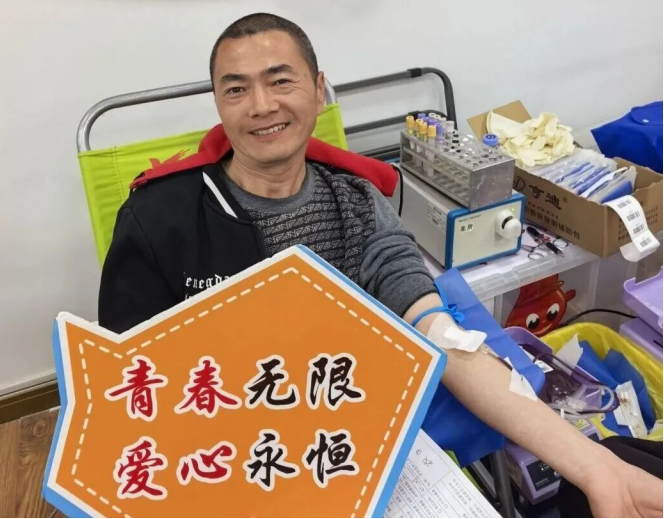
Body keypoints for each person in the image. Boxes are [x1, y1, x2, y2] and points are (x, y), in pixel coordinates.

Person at [99, 13, 663, 518]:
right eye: (236, 89)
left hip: (340, 443)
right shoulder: (159, 218)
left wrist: (597, 469)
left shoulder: (357, 205)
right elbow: (132, 389)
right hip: (219, 455)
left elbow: (441, 337)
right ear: (219, 105)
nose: (262, 105)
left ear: (319, 90)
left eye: (281, 80)